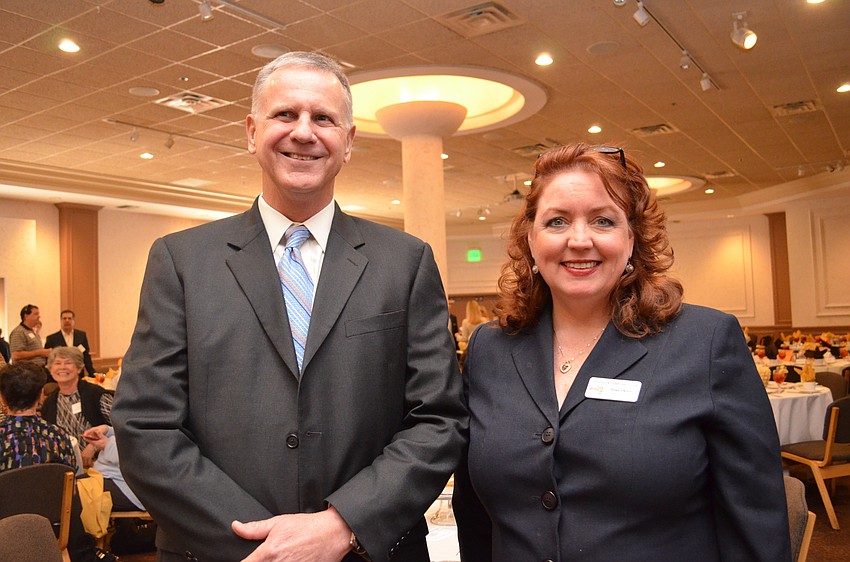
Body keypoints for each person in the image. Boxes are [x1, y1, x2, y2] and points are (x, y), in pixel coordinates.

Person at [112, 51, 466, 562]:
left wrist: (342, 524)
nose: (304, 132)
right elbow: (145, 426)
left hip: (368, 550)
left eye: (323, 118)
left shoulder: (405, 262)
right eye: (285, 114)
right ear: (252, 132)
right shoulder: (181, 261)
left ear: (348, 142)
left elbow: (439, 419)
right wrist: (264, 544)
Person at [452, 143, 791, 561]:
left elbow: (755, 520)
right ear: (531, 239)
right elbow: (473, 510)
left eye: (603, 221)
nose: (579, 240)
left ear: (632, 239)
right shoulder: (492, 349)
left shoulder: (705, 342)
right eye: (556, 221)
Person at [0, 361, 118, 562]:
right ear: (40, 397)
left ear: (2, 398)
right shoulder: (61, 438)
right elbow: (72, 490)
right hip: (52, 531)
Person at [41, 347, 113, 469]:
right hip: (67, 468)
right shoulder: (49, 404)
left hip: (103, 464)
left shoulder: (96, 394)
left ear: (79, 368)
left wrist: (94, 446)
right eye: (57, 363)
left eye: (68, 363)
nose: (62, 367)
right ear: (50, 369)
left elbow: (120, 426)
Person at [81, 424, 145, 512]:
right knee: (66, 485)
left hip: (131, 488)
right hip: (111, 476)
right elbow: (130, 435)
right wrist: (107, 431)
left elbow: (142, 457)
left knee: (73, 495)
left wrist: (107, 445)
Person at [45, 310, 96, 377]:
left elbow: (86, 355)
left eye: (69, 318)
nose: (67, 321)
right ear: (61, 320)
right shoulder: (52, 338)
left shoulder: (81, 335)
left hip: (78, 374)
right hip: (60, 374)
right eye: (64, 318)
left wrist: (92, 373)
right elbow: (48, 360)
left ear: (73, 320)